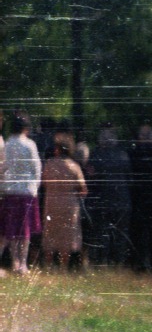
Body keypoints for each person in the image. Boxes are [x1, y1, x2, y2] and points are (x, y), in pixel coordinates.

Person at [0, 115, 43, 274]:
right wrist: (35, 188)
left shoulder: (8, 144)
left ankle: (14, 262)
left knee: (11, 230)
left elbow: (3, 167)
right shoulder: (30, 144)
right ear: (26, 128)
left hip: (10, 191)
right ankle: (22, 264)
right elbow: (36, 167)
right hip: (26, 191)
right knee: (24, 231)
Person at [85, 126, 132, 266]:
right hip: (121, 201)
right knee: (119, 235)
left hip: (104, 201)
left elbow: (90, 177)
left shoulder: (95, 154)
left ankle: (103, 262)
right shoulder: (123, 154)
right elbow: (130, 178)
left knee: (103, 233)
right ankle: (117, 263)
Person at [38, 134, 87, 269]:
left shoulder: (49, 164)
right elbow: (83, 189)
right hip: (70, 206)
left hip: (51, 203)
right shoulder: (74, 166)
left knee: (50, 234)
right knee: (67, 236)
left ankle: (48, 266)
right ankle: (63, 267)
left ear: (57, 149)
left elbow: (43, 183)